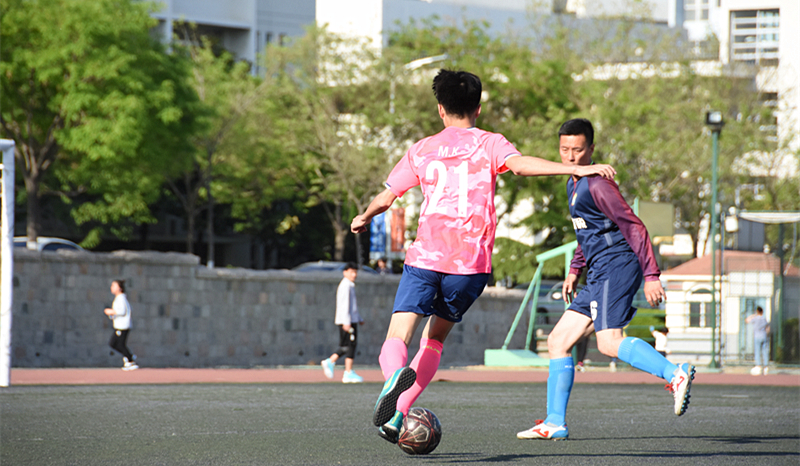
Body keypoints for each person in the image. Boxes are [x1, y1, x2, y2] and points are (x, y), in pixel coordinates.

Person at [350, 70, 616, 444]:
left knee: (399, 334)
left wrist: (364, 216)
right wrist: (575, 167)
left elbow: (387, 197)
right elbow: (521, 165)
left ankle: (394, 380)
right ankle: (398, 412)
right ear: (478, 108)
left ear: (440, 109)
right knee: (434, 340)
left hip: (426, 258)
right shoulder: (490, 143)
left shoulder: (422, 149)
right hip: (469, 266)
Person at [516, 118, 695, 441]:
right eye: (564, 149)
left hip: (617, 266)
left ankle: (675, 373)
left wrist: (651, 275)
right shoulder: (572, 183)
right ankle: (555, 422)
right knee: (558, 342)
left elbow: (634, 226)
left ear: (591, 149)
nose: (570, 156)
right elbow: (588, 232)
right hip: (598, 271)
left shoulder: (598, 185)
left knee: (608, 342)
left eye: (577, 150)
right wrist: (575, 269)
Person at [321, 263, 365, 383]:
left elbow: (352, 306)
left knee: (349, 345)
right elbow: (344, 305)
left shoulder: (350, 285)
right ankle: (335, 363)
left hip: (351, 320)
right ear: (345, 272)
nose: (354, 275)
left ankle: (346, 370)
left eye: (355, 272)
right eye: (351, 272)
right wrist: (346, 322)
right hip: (347, 321)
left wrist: (359, 318)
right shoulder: (346, 285)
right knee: (348, 346)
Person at [103, 279, 138, 371]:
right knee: (116, 344)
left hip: (122, 326)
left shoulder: (121, 299)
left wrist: (111, 311)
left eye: (113, 286)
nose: (111, 288)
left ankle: (130, 359)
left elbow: (122, 311)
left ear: (119, 288)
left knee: (116, 344)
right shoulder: (119, 298)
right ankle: (129, 357)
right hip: (120, 326)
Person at [745, 306, 770, 375]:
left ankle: (758, 365)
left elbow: (747, 320)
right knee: (765, 351)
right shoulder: (764, 319)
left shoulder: (755, 319)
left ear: (757, 311)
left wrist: (753, 315)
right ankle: (766, 366)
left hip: (757, 336)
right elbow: (768, 328)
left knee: (757, 351)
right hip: (764, 336)